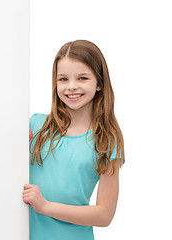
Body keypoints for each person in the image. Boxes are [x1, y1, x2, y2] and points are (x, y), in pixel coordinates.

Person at [22, 39, 125, 240]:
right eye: (63, 79)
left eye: (82, 78)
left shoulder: (106, 140)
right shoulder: (35, 126)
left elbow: (104, 215)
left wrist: (46, 206)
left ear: (99, 83)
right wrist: (11, 149)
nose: (71, 87)